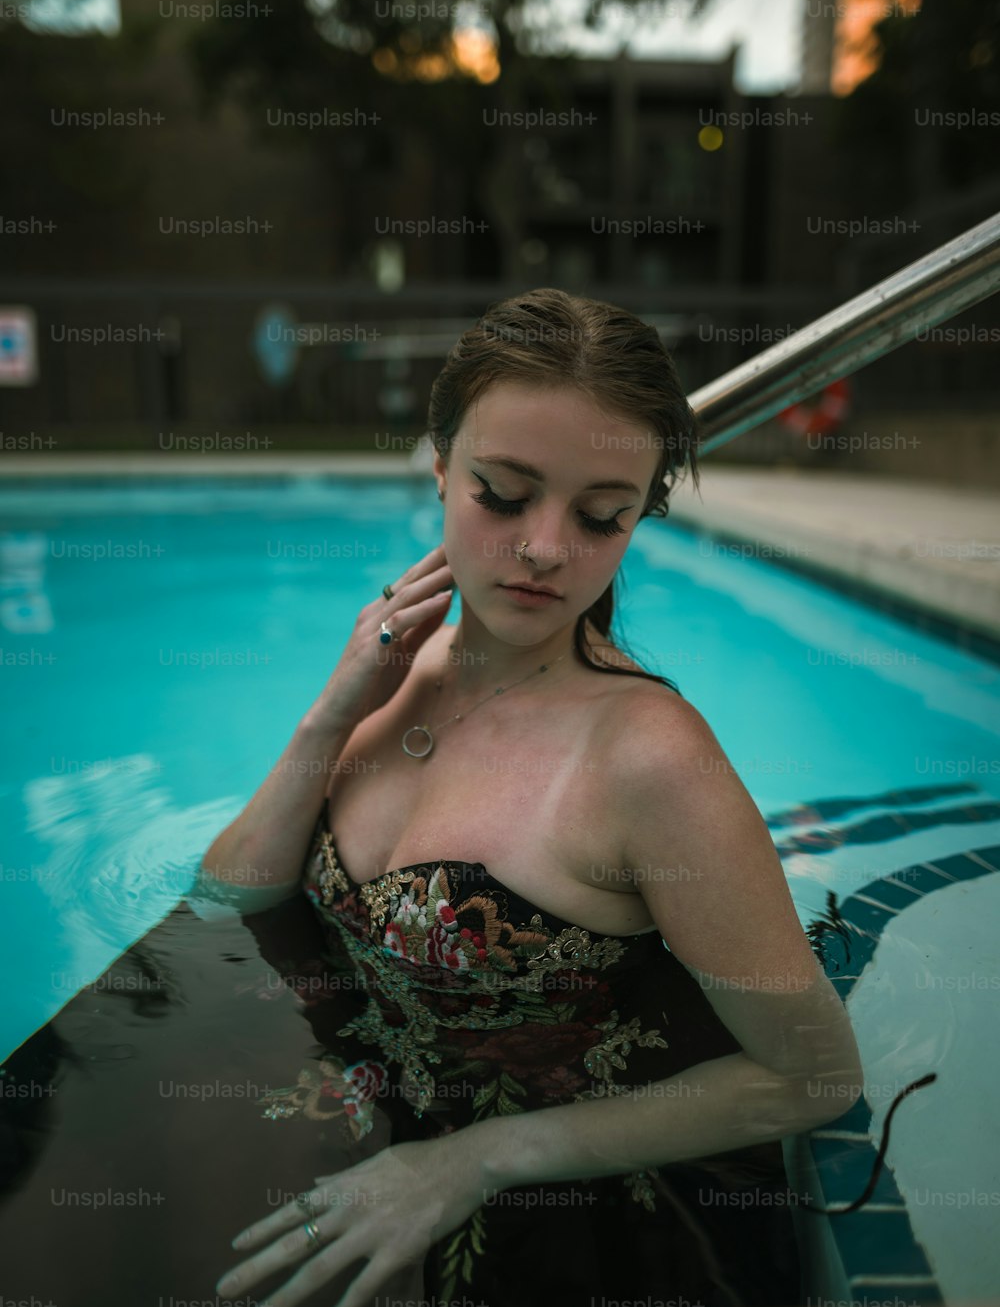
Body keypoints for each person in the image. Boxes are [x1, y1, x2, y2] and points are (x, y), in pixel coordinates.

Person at [0, 288, 867, 1307]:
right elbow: (229, 893)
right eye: (504, 493)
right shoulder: (400, 662)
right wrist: (330, 714)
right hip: (356, 1109)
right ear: (440, 463)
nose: (546, 545)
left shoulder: (648, 761)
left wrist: (479, 1157)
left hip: (557, 1209)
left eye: (600, 515)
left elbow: (812, 1073)